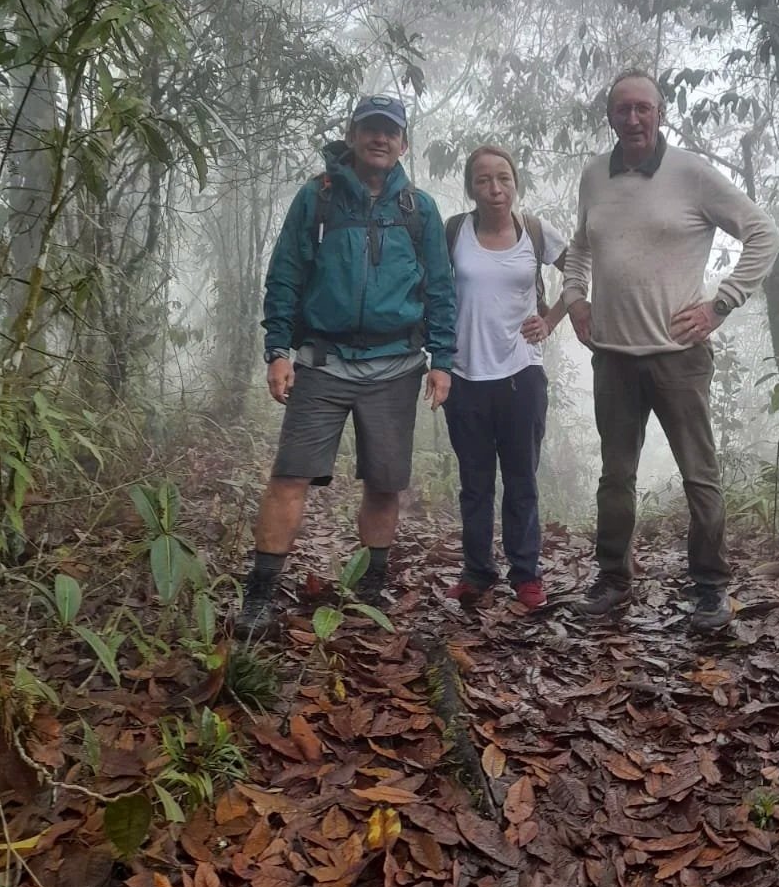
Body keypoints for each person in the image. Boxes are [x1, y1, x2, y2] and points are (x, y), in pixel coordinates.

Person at [561, 71, 779, 632]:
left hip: (677, 357)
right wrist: (574, 297)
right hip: (612, 354)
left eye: (643, 108)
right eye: (621, 110)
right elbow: (579, 248)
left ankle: (709, 589)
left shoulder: (692, 174)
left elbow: (765, 234)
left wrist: (720, 304)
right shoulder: (594, 175)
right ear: (609, 116)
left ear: (660, 112)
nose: (633, 119)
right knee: (615, 477)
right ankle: (613, 579)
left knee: (698, 476)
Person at [234, 95, 456, 638]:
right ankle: (259, 598)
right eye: (371, 129)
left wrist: (443, 359)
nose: (380, 139)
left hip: (397, 365)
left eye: (391, 132)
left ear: (404, 143)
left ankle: (370, 588)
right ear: (353, 134)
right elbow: (285, 273)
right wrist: (278, 351)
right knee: (289, 477)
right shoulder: (319, 197)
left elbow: (441, 289)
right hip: (322, 361)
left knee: (384, 484)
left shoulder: (418, 208)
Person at [442, 146, 569, 611]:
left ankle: (526, 574)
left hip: (522, 375)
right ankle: (476, 572)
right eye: (482, 180)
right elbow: (431, 289)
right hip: (464, 374)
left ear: (516, 183)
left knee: (521, 479)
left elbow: (577, 267)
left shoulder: (533, 231)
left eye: (503, 178)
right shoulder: (454, 233)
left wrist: (551, 319)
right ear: (470, 188)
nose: (494, 189)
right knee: (474, 481)